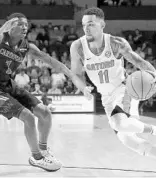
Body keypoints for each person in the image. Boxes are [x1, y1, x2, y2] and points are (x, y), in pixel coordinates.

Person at [70, 7, 156, 175]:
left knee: (118, 123)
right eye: (84, 25)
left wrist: (154, 76)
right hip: (106, 97)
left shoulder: (115, 43)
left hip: (124, 89)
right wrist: (83, 88)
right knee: (128, 140)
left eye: (90, 24)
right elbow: (75, 74)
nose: (86, 28)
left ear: (102, 24)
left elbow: (139, 62)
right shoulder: (77, 47)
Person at [0, 13, 90, 171]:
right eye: (21, 24)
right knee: (27, 116)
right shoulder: (1, 38)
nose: (25, 27)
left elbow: (52, 61)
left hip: (8, 84)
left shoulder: (26, 46)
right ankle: (37, 158)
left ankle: (43, 150)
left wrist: (75, 79)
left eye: (27, 25)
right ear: (11, 26)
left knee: (45, 112)